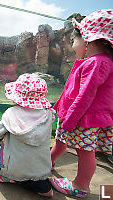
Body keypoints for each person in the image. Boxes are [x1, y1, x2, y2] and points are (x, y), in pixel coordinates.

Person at [50, 9, 113, 198]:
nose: (71, 45)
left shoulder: (96, 63)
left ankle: (80, 185)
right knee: (60, 142)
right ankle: (47, 162)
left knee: (85, 153)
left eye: (73, 40)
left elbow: (85, 95)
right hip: (79, 117)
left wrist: (70, 120)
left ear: (87, 39)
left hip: (82, 119)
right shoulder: (100, 61)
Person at [0, 73, 55, 197]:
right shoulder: (48, 114)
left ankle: (6, 176)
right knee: (39, 180)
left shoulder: (11, 114)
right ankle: (42, 187)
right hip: (40, 171)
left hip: (14, 170)